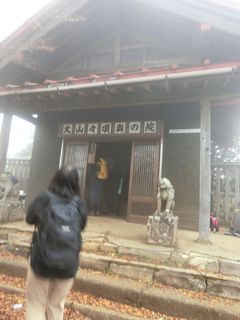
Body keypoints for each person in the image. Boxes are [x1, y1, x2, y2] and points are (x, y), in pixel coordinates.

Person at [25, 167, 87, 320]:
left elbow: (29, 218)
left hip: (41, 261)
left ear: (55, 178)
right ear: (76, 182)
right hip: (68, 263)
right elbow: (82, 226)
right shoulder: (79, 203)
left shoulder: (44, 198)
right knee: (56, 305)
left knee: (36, 303)